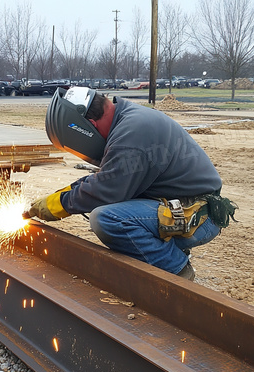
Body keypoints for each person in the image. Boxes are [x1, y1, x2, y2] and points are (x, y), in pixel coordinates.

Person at [27, 87, 237, 280]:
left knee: (108, 218)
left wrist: (58, 205)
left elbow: (104, 191)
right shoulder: (127, 118)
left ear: (88, 127)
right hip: (179, 205)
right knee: (111, 212)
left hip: (199, 216)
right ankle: (164, 257)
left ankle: (177, 271)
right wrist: (60, 195)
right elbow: (105, 178)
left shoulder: (131, 133)